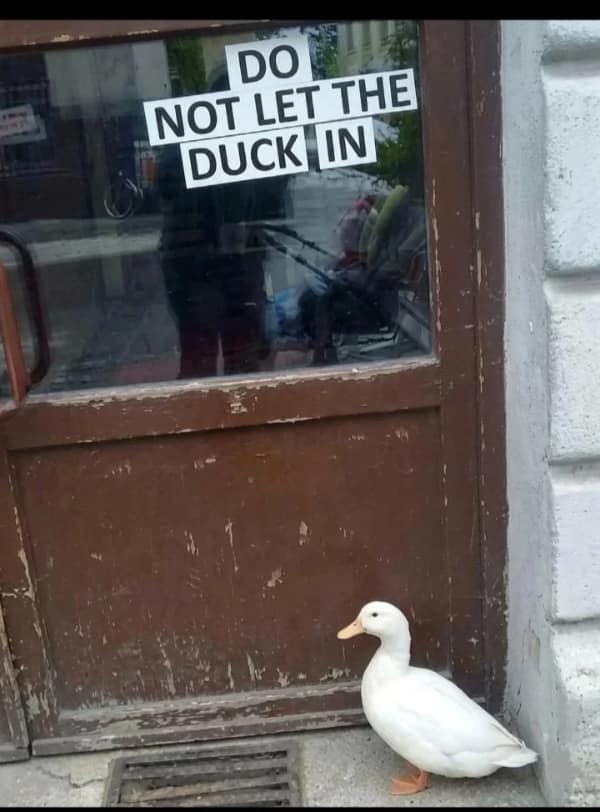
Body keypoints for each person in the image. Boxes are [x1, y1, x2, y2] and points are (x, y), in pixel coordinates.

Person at [156, 69, 288, 379]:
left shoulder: (192, 143)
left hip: (213, 263)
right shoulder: (191, 144)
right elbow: (168, 190)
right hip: (198, 265)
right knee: (215, 358)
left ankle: (214, 418)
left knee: (223, 358)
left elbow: (273, 204)